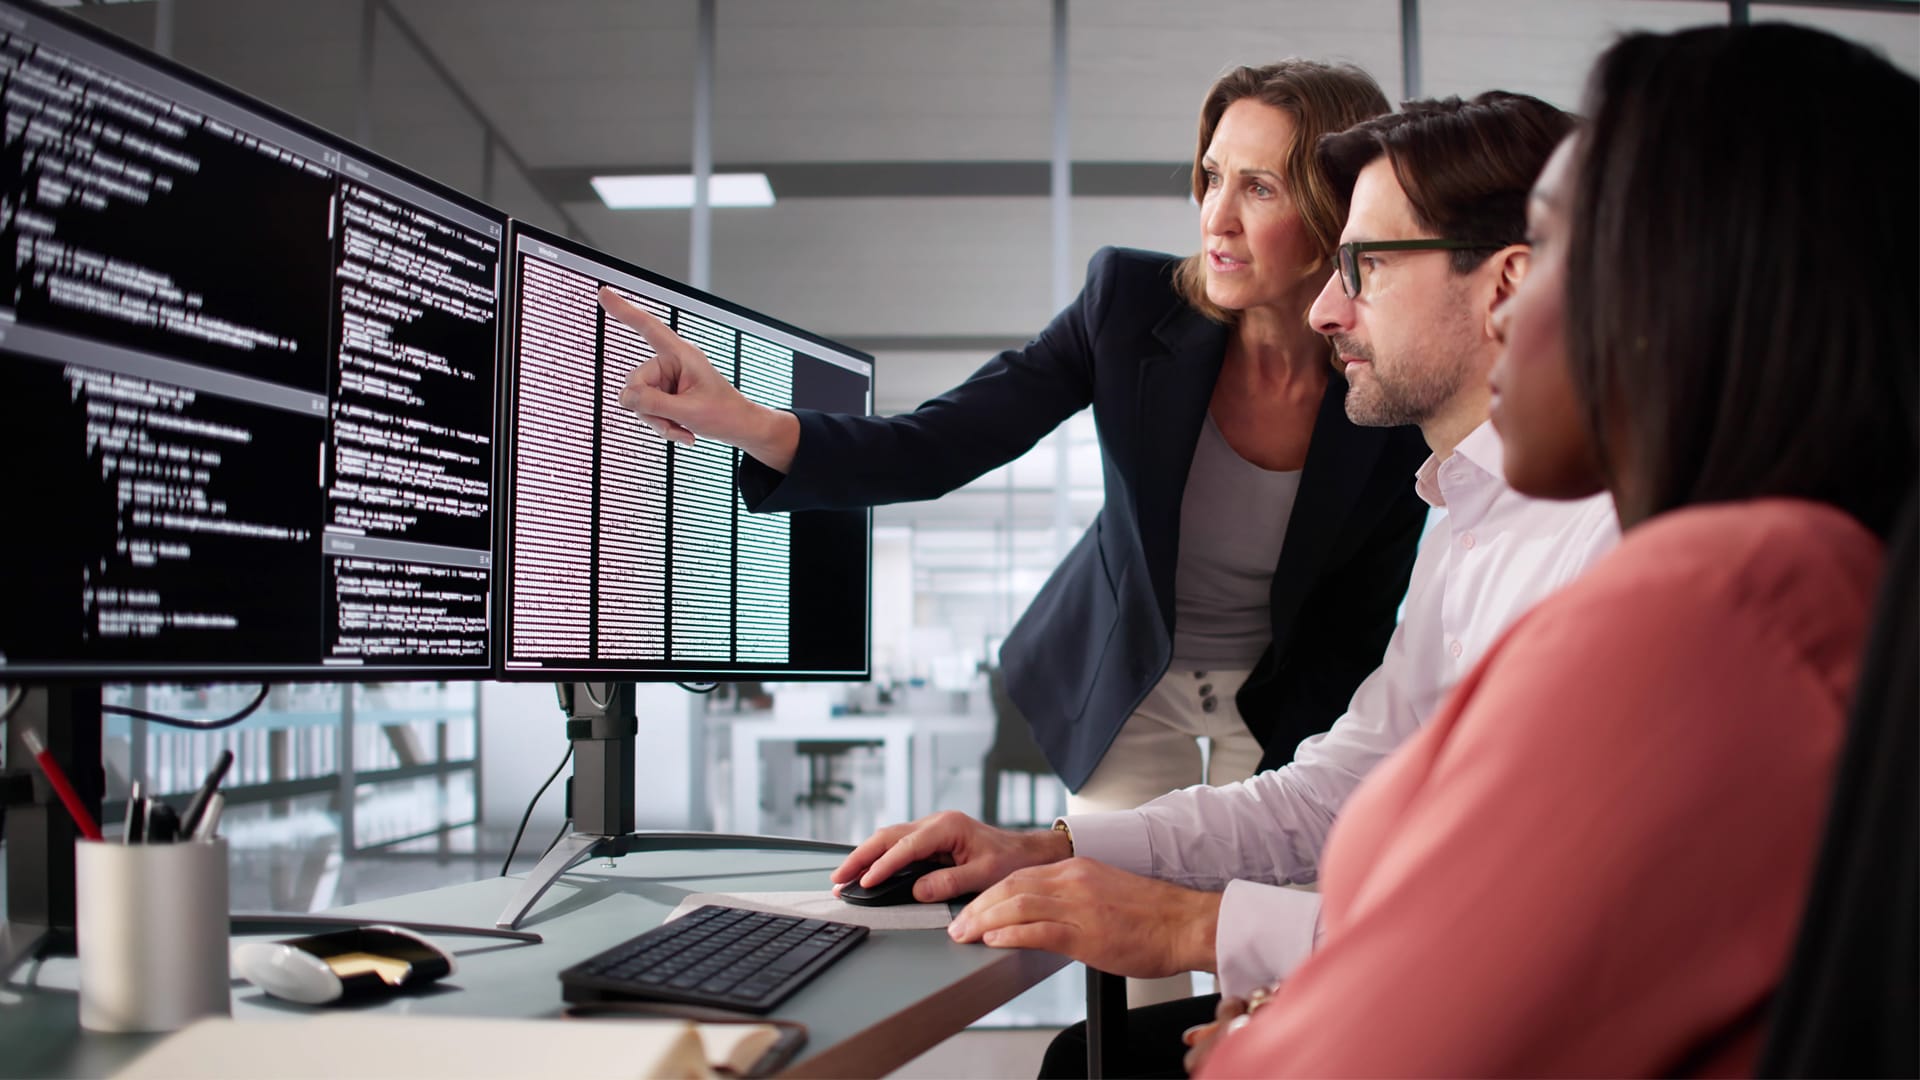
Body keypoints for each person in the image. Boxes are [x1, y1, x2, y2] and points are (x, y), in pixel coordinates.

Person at [602, 60, 1430, 1003]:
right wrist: (754, 424)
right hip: (1129, 680)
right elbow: (942, 441)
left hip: (1287, 691)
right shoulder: (1130, 307)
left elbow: (1365, 614)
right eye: (1210, 177)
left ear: (1334, 211)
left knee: (1263, 969)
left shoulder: (1390, 381)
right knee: (1134, 954)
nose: (1217, 216)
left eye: (1261, 187)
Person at [831, 91, 1621, 1077]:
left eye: (1366, 267)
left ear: (1506, 286)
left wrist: (1198, 930)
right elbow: (1338, 791)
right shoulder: (1464, 513)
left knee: (1097, 1060)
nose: (1327, 309)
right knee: (1092, 1053)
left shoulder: (1603, 544)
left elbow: (1538, 926)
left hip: (1528, 1026)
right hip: (1186, 726)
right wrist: (1050, 846)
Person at [1190, 23, 1917, 1077]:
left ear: (1688, 289)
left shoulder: (1705, 609)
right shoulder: (1805, 575)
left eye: (1553, 247)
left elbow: (1405, 1031)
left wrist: (1257, 1021)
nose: (1512, 303)